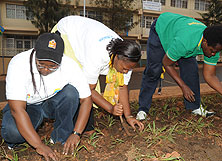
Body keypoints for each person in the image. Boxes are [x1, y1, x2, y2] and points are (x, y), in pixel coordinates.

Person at [1, 33, 93, 161]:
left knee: (71, 93)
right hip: (27, 106)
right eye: (41, 64)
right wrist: (39, 145)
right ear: (35, 53)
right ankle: (20, 139)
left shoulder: (70, 66)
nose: (46, 70)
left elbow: (87, 100)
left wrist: (76, 133)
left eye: (53, 66)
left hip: (50, 103)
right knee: (13, 132)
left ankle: (59, 140)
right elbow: (17, 110)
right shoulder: (18, 63)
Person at [137, 12, 222, 120]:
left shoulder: (213, 46)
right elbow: (167, 64)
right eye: (212, 51)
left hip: (181, 33)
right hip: (161, 28)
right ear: (205, 42)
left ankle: (195, 107)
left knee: (191, 71)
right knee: (154, 70)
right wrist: (183, 86)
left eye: (216, 52)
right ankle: (143, 109)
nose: (213, 54)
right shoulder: (184, 42)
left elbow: (210, 75)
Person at [52, 15, 144, 131]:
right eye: (124, 68)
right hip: (66, 33)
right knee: (76, 85)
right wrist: (110, 108)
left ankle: (87, 126)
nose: (126, 71)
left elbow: (122, 87)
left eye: (129, 69)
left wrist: (129, 116)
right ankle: (67, 129)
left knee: (91, 84)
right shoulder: (97, 55)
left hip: (86, 38)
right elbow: (88, 90)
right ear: (116, 57)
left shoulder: (127, 56)